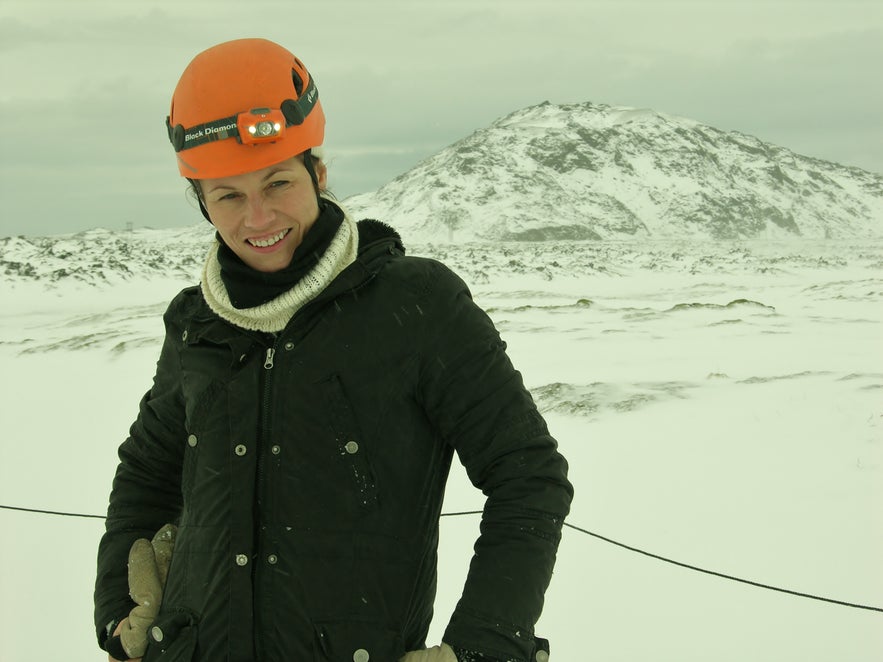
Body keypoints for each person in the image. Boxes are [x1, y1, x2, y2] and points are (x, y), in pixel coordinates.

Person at [93, 38, 573, 662]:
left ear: (318, 174)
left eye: (278, 182)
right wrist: (119, 615)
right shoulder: (198, 324)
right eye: (229, 195)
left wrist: (483, 642)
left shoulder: (416, 305)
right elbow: (146, 474)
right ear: (203, 202)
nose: (258, 217)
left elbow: (528, 473)